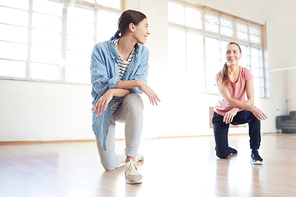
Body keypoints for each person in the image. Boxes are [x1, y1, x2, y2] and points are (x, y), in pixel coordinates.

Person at [90, 10, 160, 184]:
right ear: (132, 27)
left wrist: (114, 90)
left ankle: (131, 160)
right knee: (109, 165)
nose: (148, 31)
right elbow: (100, 85)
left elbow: (135, 91)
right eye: (146, 26)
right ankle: (133, 156)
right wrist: (136, 82)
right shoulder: (101, 50)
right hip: (104, 110)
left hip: (125, 108)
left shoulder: (143, 54)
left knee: (135, 100)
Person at [212, 42, 267, 165]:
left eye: (234, 51)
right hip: (221, 115)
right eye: (228, 52)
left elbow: (251, 99)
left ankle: (255, 152)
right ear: (225, 55)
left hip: (238, 112)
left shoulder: (246, 73)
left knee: (253, 113)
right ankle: (226, 149)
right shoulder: (219, 75)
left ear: (240, 55)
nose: (231, 54)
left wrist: (236, 109)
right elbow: (228, 101)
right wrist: (247, 107)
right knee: (222, 155)